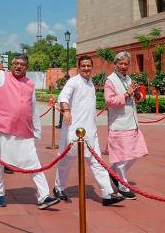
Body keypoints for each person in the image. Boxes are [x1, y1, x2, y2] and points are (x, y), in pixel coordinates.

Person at [0, 37, 60, 210]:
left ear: (26, 67)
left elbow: (32, 110)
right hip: (2, 130)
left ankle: (44, 195)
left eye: (22, 64)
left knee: (34, 163)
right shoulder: (0, 77)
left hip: (23, 131)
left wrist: (37, 131)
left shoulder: (30, 84)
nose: (18, 66)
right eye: (15, 63)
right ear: (12, 65)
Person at [54, 56, 125, 206]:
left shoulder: (90, 84)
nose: (86, 68)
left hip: (90, 132)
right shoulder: (73, 82)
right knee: (66, 162)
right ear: (79, 67)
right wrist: (66, 111)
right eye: (83, 66)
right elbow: (63, 97)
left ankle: (107, 194)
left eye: (88, 66)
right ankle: (58, 188)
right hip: (74, 131)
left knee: (97, 162)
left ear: (91, 68)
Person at [104, 51, 148, 200]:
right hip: (119, 124)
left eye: (126, 63)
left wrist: (136, 95)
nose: (123, 66)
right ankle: (122, 186)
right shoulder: (110, 80)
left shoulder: (128, 78)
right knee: (123, 158)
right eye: (120, 63)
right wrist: (127, 94)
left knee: (137, 153)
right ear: (115, 64)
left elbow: (134, 97)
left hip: (132, 122)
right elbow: (110, 101)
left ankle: (113, 173)